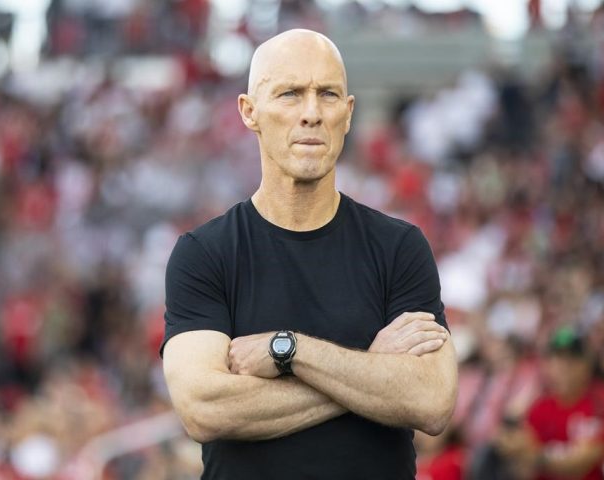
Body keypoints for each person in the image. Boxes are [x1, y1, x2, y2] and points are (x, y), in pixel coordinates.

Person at [160, 28, 458, 480]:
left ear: (349, 113)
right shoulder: (204, 254)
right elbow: (204, 409)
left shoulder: (399, 247)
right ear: (249, 111)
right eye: (290, 94)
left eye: (328, 94)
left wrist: (289, 351)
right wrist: (372, 368)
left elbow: (432, 401)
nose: (312, 114)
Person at [495, 326, 604, 480]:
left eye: (571, 360)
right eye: (556, 359)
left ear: (587, 363)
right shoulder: (540, 407)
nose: (563, 368)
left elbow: (580, 464)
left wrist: (531, 455)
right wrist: (512, 445)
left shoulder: (603, 404)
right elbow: (523, 467)